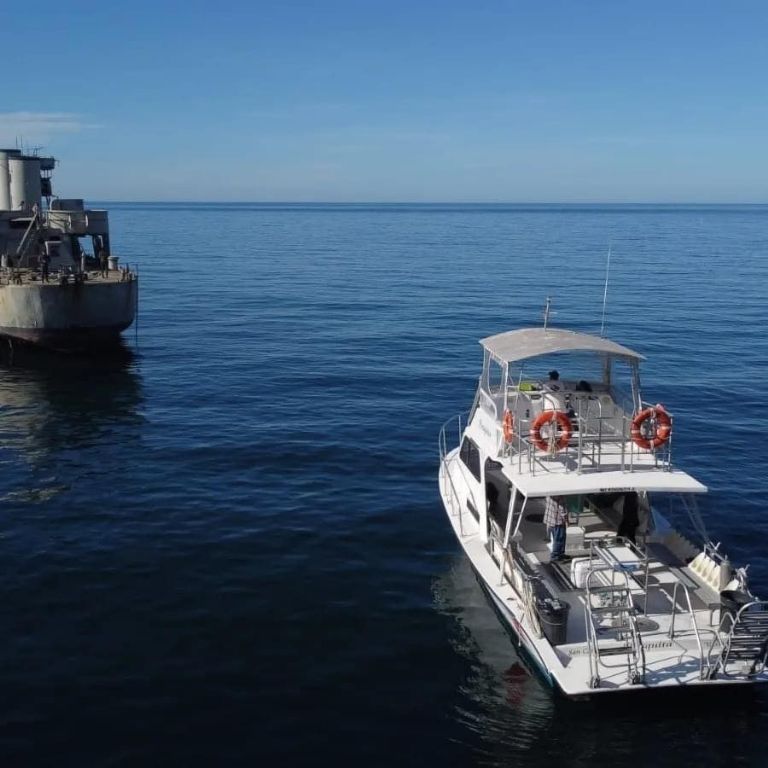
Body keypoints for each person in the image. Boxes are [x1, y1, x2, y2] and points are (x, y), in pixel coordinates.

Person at [544, 495, 569, 561]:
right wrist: (566, 521)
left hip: (550, 520)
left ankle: (560, 554)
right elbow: (563, 511)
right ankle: (555, 556)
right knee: (559, 539)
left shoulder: (549, 495)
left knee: (557, 539)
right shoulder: (561, 497)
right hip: (558, 521)